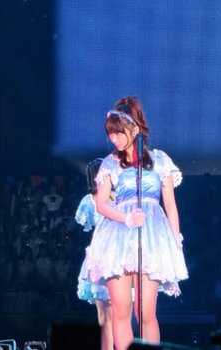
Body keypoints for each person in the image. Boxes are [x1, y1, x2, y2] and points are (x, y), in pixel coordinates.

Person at [79, 96, 188, 350]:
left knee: (145, 311)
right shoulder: (110, 163)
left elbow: (170, 205)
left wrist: (176, 241)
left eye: (119, 132)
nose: (114, 138)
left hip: (151, 236)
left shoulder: (160, 160)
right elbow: (101, 204)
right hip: (118, 235)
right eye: (111, 133)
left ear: (135, 129)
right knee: (121, 310)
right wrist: (125, 218)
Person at [75, 158, 113, 350]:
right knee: (105, 313)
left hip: (116, 253)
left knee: (113, 313)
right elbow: (87, 225)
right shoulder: (90, 200)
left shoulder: (119, 196)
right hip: (102, 254)